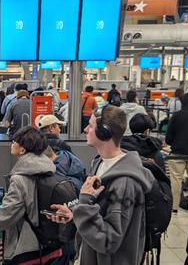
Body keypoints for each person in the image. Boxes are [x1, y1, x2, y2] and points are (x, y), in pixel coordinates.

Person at [47, 105, 154, 265]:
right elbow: (99, 214)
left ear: (104, 132)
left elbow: (108, 240)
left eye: (90, 126)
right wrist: (75, 215)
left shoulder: (124, 182)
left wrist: (83, 202)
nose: (85, 129)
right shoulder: (100, 163)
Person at [0, 126, 60, 263]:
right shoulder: (49, 170)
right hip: (49, 243)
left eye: (14, 141)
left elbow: (4, 217)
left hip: (27, 248)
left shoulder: (20, 179)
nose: (11, 144)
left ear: (22, 149)